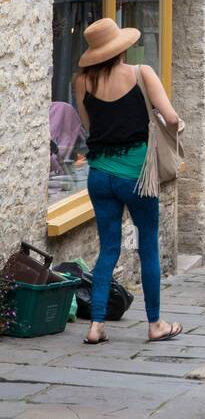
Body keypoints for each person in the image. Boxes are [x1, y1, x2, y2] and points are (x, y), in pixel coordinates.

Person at [73, 18, 182, 346]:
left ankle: (95, 325)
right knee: (147, 244)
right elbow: (172, 118)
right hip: (137, 176)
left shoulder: (82, 82)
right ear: (120, 48)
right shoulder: (141, 73)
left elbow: (89, 125)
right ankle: (155, 324)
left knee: (108, 249)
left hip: (98, 175)